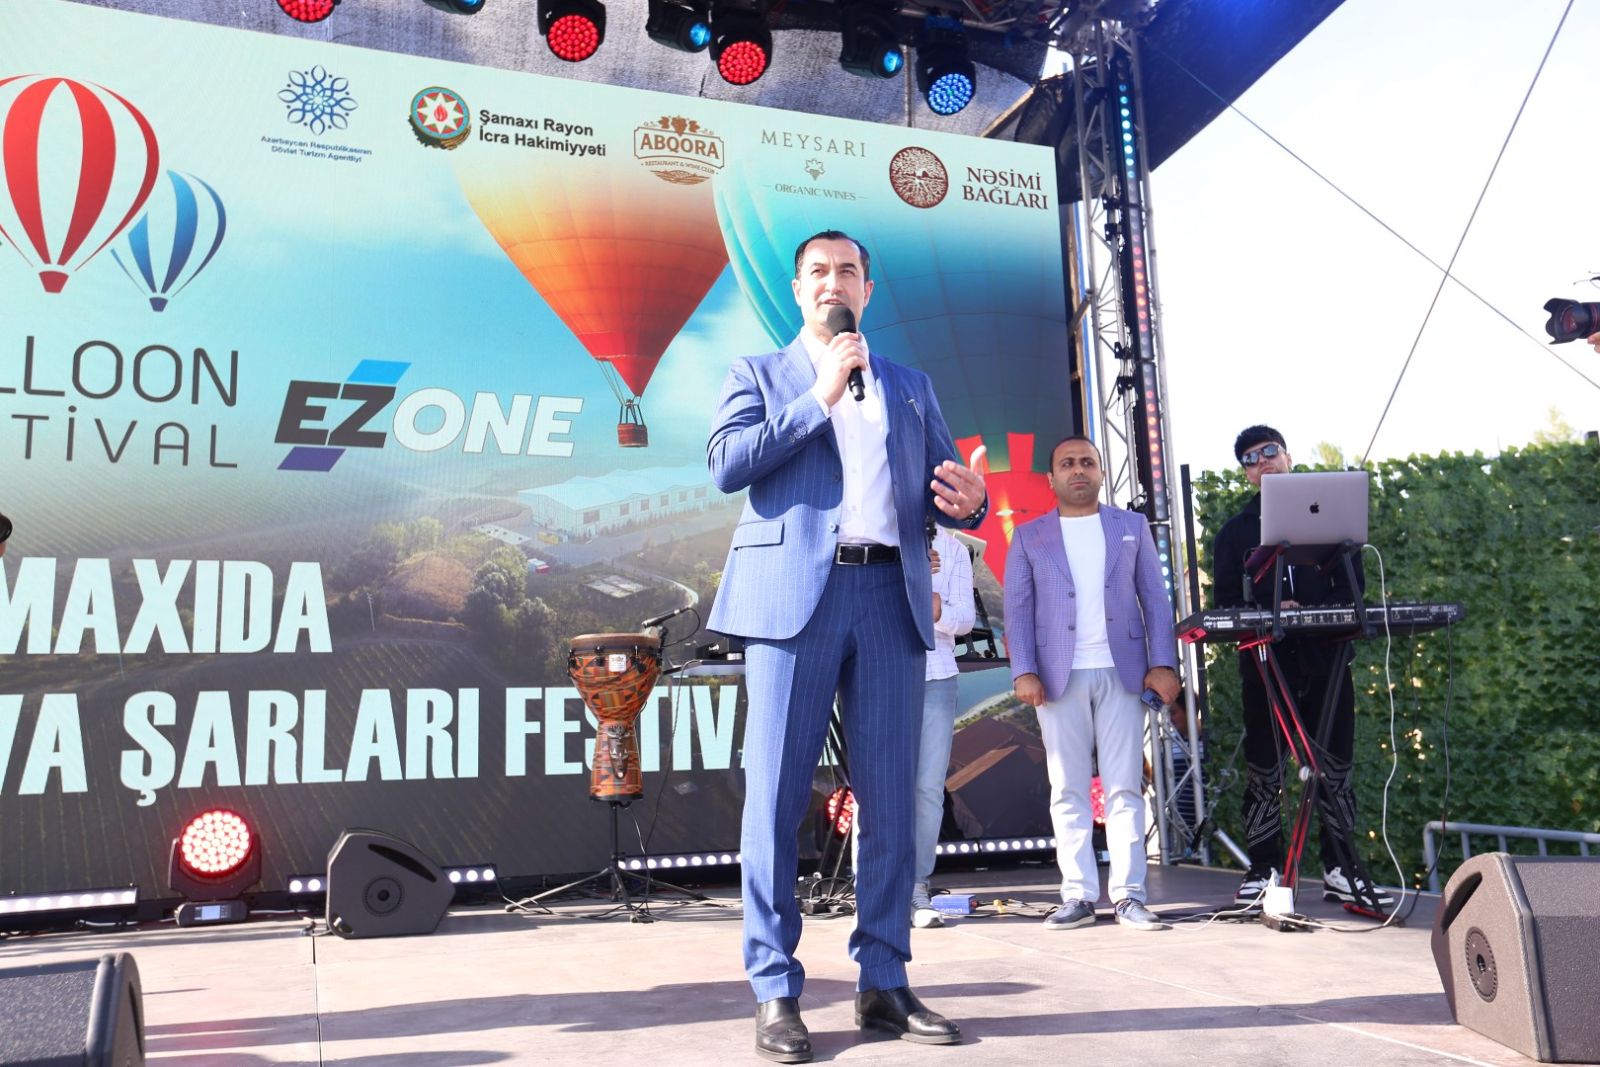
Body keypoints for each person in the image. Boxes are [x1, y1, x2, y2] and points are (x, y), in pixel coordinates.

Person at [707, 230, 987, 1063]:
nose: (835, 282)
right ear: (798, 290)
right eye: (820, 272)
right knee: (775, 797)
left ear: (869, 288)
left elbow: (947, 491)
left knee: (891, 801)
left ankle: (884, 981)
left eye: (849, 271)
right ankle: (776, 989)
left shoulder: (909, 385)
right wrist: (819, 395)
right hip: (792, 600)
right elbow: (728, 464)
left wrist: (971, 501)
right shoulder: (759, 373)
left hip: (889, 597)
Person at [1003, 436, 1181, 932]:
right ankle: (1078, 895)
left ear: (1101, 473)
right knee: (1068, 788)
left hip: (1124, 671)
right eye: (1067, 463)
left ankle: (1129, 896)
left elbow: (1155, 598)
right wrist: (1023, 670)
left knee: (1125, 786)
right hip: (1057, 677)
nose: (1078, 470)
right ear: (1052, 478)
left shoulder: (1131, 527)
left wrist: (1163, 663)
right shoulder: (1029, 536)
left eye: (1087, 462)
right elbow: (1017, 609)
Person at [1211, 425, 1391, 908]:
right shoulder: (1234, 533)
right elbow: (1225, 604)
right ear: (1247, 474)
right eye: (1251, 458)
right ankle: (1264, 868)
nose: (1263, 461)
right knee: (1263, 770)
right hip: (1265, 664)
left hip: (1327, 660)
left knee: (1336, 768)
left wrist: (1308, 611)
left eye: (1270, 451)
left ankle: (1340, 867)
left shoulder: (1331, 520)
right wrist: (1270, 609)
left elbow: (1352, 591)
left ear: (1288, 456)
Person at [909, 524, 976, 930]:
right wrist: (905, 569)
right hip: (881, 672)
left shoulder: (952, 549)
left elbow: (965, 618)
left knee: (928, 788)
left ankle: (917, 886)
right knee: (878, 786)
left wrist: (937, 610)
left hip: (937, 673)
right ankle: (874, 887)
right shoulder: (877, 537)